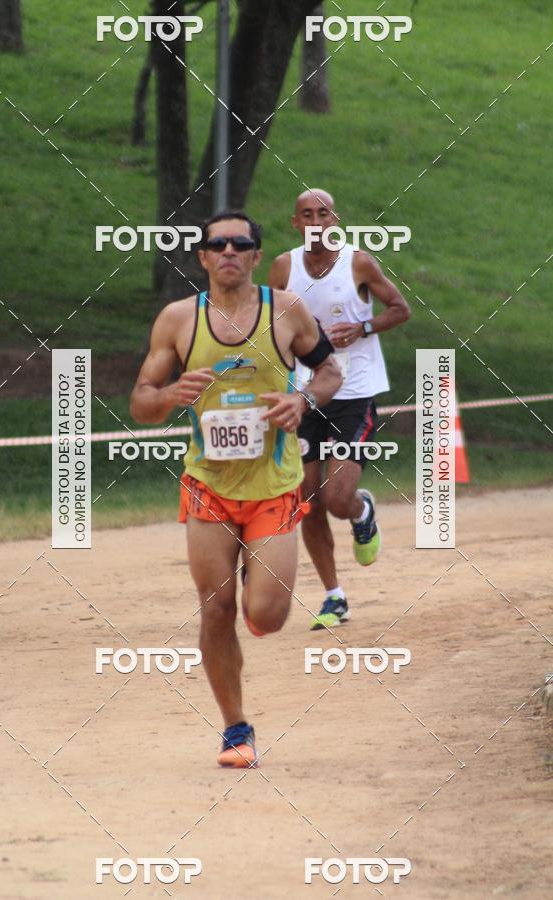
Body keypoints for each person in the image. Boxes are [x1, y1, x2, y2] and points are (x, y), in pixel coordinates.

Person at [130, 211, 342, 767]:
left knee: (266, 617)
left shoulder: (287, 310)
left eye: (240, 243)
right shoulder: (179, 320)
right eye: (218, 244)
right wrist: (171, 394)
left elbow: (330, 373)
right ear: (202, 257)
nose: (229, 251)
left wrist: (302, 400)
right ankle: (235, 730)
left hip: (274, 486)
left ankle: (258, 572)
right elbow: (141, 402)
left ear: (255, 255)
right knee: (215, 608)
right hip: (210, 487)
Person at [268, 189, 410, 631]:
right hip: (306, 394)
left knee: (336, 498)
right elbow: (270, 328)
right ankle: (334, 597)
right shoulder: (283, 268)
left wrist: (363, 326)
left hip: (355, 392)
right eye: (306, 215)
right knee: (308, 502)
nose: (316, 222)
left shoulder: (358, 263)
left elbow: (400, 309)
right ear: (295, 223)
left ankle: (360, 510)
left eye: (323, 214)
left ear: (335, 220)